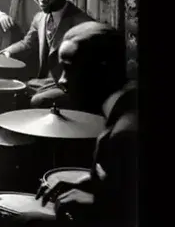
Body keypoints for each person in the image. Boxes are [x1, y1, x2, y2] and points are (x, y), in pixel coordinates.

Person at [35, 22, 137, 227]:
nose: (61, 81)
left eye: (69, 69)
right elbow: (124, 184)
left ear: (102, 70)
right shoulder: (126, 103)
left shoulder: (127, 133)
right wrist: (88, 183)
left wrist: (96, 203)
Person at [0, 0, 93, 110]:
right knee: (14, 92)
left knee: (37, 101)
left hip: (70, 86)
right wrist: (8, 52)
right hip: (45, 82)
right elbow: (28, 43)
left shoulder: (82, 22)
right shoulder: (40, 18)